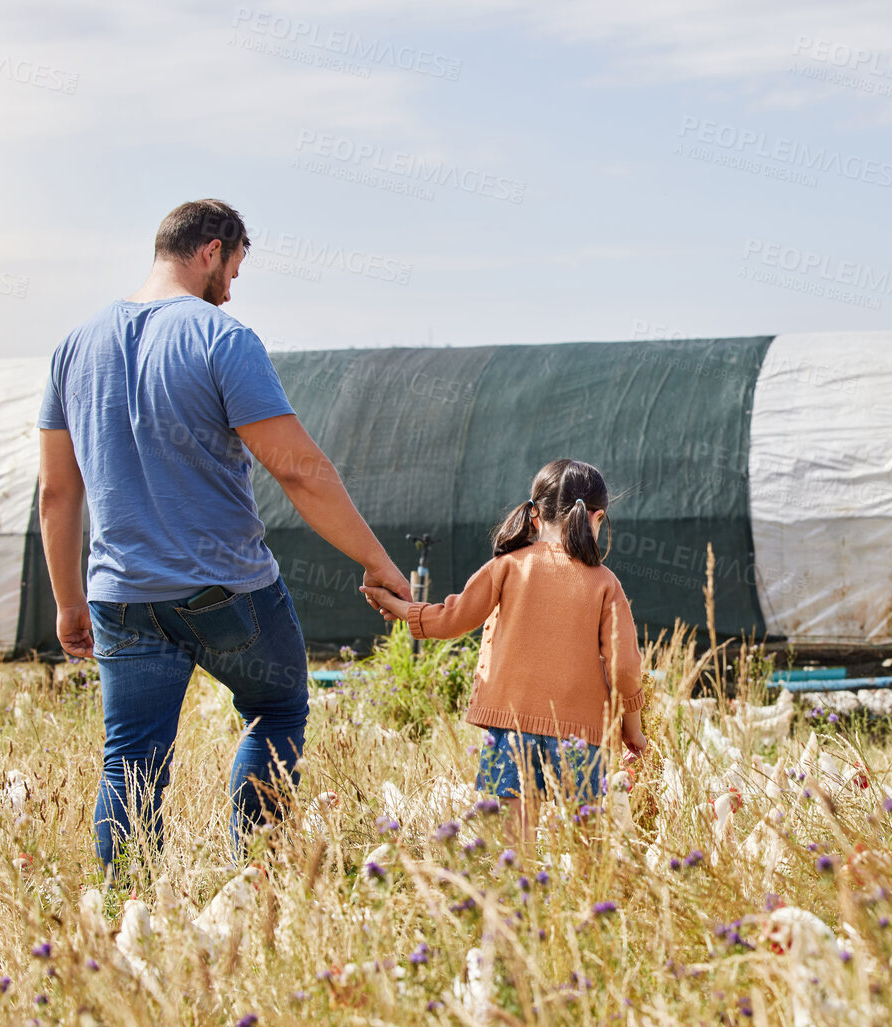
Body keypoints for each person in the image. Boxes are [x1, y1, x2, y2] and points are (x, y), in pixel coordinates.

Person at [37, 198, 411, 872]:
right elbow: (297, 470)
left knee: (130, 759)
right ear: (211, 250)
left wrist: (68, 602)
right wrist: (375, 559)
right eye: (233, 270)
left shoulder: (74, 347)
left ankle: (126, 912)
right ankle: (256, 873)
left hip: (119, 598)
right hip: (225, 591)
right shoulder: (220, 338)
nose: (231, 290)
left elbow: (58, 494)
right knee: (276, 707)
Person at [362, 459, 648, 849]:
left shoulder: (506, 567)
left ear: (534, 515)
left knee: (516, 843)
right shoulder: (604, 583)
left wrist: (392, 603)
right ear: (597, 518)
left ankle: (518, 904)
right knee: (587, 844)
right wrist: (632, 727)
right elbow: (625, 666)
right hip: (583, 734)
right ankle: (582, 906)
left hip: (511, 724)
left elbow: (449, 620)